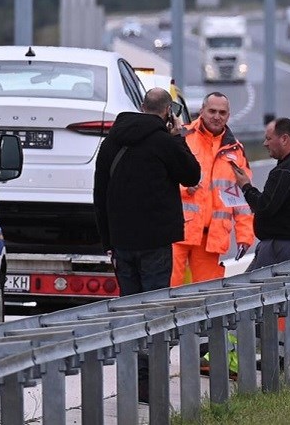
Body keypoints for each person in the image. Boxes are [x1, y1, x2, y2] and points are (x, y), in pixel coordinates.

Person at [93, 87, 200, 402]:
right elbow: (192, 174)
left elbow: (100, 195)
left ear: (141, 107)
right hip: (154, 243)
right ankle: (152, 385)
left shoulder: (112, 141)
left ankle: (134, 383)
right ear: (168, 112)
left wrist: (108, 242)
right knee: (154, 314)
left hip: (122, 244)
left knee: (130, 313)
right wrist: (179, 137)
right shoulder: (164, 142)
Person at [171, 92, 255, 286]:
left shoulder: (235, 150)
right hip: (178, 231)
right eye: (212, 111)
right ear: (201, 111)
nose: (217, 116)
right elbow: (161, 180)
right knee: (167, 291)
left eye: (222, 112)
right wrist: (184, 186)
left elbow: (243, 198)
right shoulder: (182, 137)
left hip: (211, 238)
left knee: (207, 297)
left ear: (228, 115)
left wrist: (245, 235)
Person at [229, 117, 290, 269]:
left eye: (268, 138)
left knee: (249, 290)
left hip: (282, 249)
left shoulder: (287, 169)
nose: (265, 143)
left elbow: (264, 206)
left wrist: (245, 186)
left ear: (284, 139)